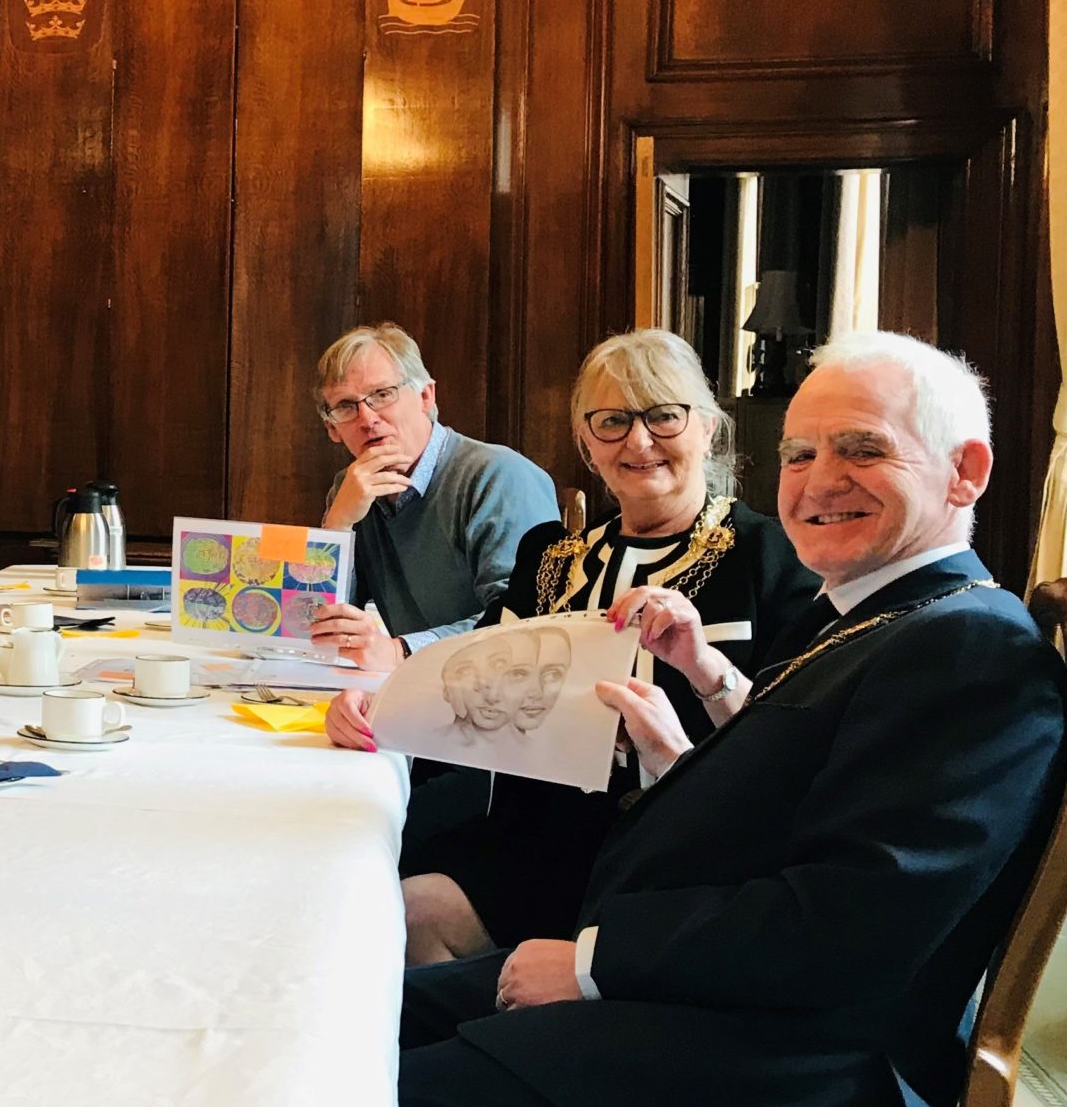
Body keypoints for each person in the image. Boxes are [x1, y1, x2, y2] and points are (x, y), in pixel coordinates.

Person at [393, 332, 1067, 1107]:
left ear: (965, 472)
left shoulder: (969, 653)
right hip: (722, 1005)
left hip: (792, 1068)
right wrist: (683, 739)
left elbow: (848, 925)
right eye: (799, 453)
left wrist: (593, 963)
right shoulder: (879, 616)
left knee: (380, 1102)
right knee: (353, 1014)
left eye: (862, 449)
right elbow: (784, 820)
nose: (814, 480)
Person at [326, 329, 817, 962]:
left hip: (691, 863)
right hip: (541, 848)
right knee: (375, 903)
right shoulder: (550, 558)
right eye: (612, 421)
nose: (639, 442)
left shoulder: (773, 558)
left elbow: (793, 753)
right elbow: (467, 692)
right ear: (587, 442)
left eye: (664, 415)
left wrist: (704, 675)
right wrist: (376, 709)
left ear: (708, 428)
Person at [306, 323, 558, 666]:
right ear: (332, 429)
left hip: (502, 692)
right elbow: (319, 622)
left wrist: (400, 650)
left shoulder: (498, 476)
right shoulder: (350, 489)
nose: (367, 418)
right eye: (347, 406)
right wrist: (337, 526)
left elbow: (525, 622)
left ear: (426, 397)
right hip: (414, 691)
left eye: (382, 394)